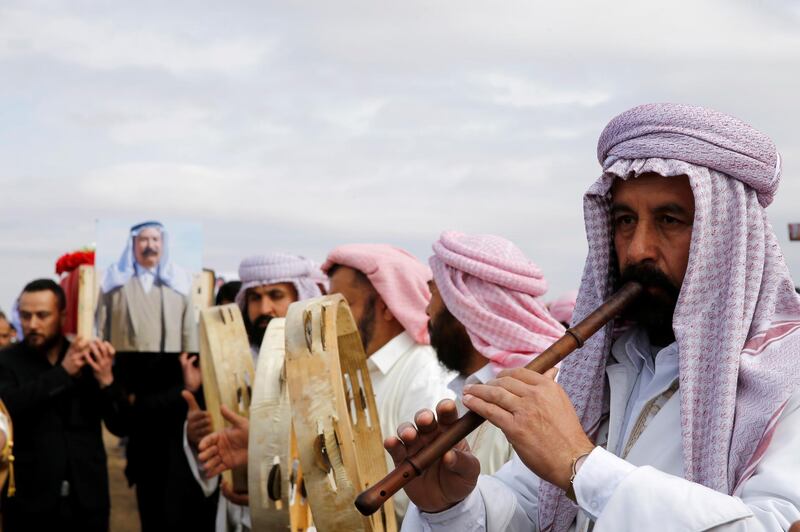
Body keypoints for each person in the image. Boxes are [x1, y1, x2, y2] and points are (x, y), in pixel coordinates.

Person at [394, 103, 800, 530]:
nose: (638, 248)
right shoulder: (605, 367)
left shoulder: (787, 374)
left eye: (669, 219)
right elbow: (538, 507)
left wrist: (580, 465)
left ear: (725, 239)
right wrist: (452, 506)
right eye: (625, 220)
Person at [183, 253, 324, 532]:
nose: (264, 308)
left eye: (276, 295)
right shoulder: (238, 362)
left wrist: (267, 474)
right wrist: (196, 436)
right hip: (238, 517)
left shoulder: (324, 367)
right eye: (255, 298)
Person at [322, 243, 457, 517]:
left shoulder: (425, 372)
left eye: (343, 306)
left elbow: (423, 498)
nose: (329, 321)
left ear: (386, 306)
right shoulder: (355, 370)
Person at [96, 220, 210, 531]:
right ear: (133, 244)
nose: (150, 245)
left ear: (163, 244)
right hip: (134, 393)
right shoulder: (116, 283)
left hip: (174, 392)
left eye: (155, 239)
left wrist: (187, 369)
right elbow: (102, 327)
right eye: (144, 239)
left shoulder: (178, 284)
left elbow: (188, 330)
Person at [427, 231, 564, 475]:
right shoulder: (474, 386)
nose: (428, 310)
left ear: (466, 304)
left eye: (434, 294)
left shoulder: (545, 387)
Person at [0, 279, 126, 532]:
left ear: (63, 316)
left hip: (87, 501)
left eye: (42, 315)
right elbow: (10, 408)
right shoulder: (7, 360)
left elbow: (120, 425)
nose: (32, 324)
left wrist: (106, 381)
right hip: (29, 501)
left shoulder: (90, 358)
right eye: (25, 316)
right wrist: (63, 373)